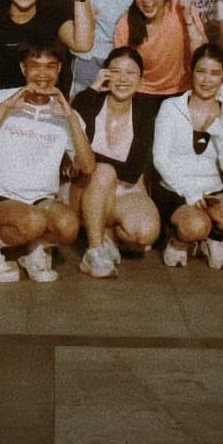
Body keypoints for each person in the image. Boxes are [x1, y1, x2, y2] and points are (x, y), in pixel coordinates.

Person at [0, 41, 90, 282]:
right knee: (33, 221)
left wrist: (71, 119)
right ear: (23, 69)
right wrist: (5, 109)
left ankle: (34, 251)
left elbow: (87, 167)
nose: (43, 74)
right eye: (35, 66)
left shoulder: (65, 113)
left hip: (40, 200)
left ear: (60, 68)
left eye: (51, 66)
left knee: (69, 226)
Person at [69, 47, 163, 278]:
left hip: (124, 190)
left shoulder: (144, 113)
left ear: (140, 79)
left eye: (131, 73)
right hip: (84, 188)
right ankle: (94, 251)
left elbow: (132, 171)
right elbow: (75, 120)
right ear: (105, 74)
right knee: (103, 171)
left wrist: (88, 158)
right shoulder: (89, 101)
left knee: (145, 233)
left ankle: (105, 232)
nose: (123, 79)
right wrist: (92, 88)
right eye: (116, 71)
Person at [152, 43, 223, 269]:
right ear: (191, 71)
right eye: (201, 71)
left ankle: (213, 240)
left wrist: (221, 133)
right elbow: (160, 159)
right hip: (175, 189)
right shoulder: (170, 107)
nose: (206, 80)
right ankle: (178, 241)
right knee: (196, 225)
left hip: (211, 190)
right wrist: (190, 193)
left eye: (215, 73)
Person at [115, 0, 204, 97]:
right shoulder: (125, 24)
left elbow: (202, 57)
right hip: (141, 92)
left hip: (181, 90)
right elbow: (120, 69)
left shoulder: (182, 9)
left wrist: (190, 23)